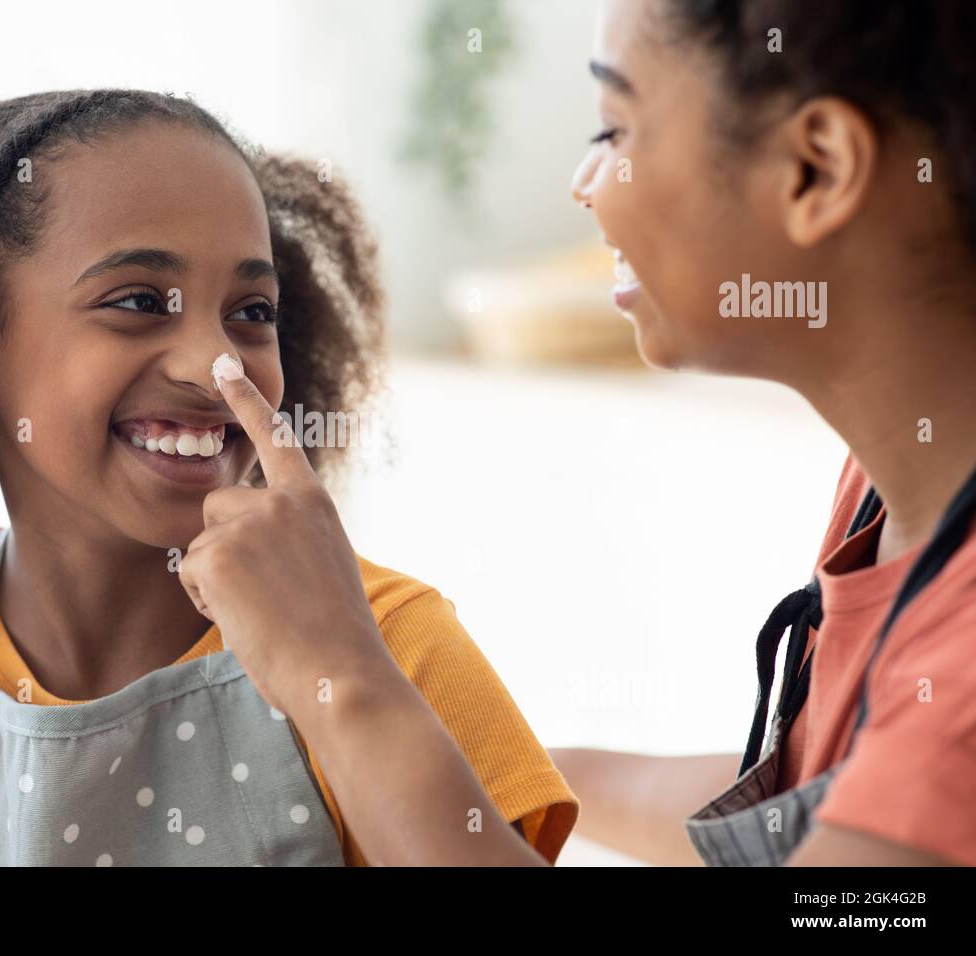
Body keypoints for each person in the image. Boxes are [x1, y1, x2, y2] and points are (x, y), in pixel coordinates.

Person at [0, 90, 577, 866]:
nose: (215, 363)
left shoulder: (381, 639)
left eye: (251, 313)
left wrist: (336, 669)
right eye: (139, 302)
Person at [192, 0, 976, 866]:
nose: (583, 182)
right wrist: (499, 773)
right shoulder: (889, 490)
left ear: (814, 170)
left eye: (614, 129)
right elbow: (821, 792)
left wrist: (339, 678)